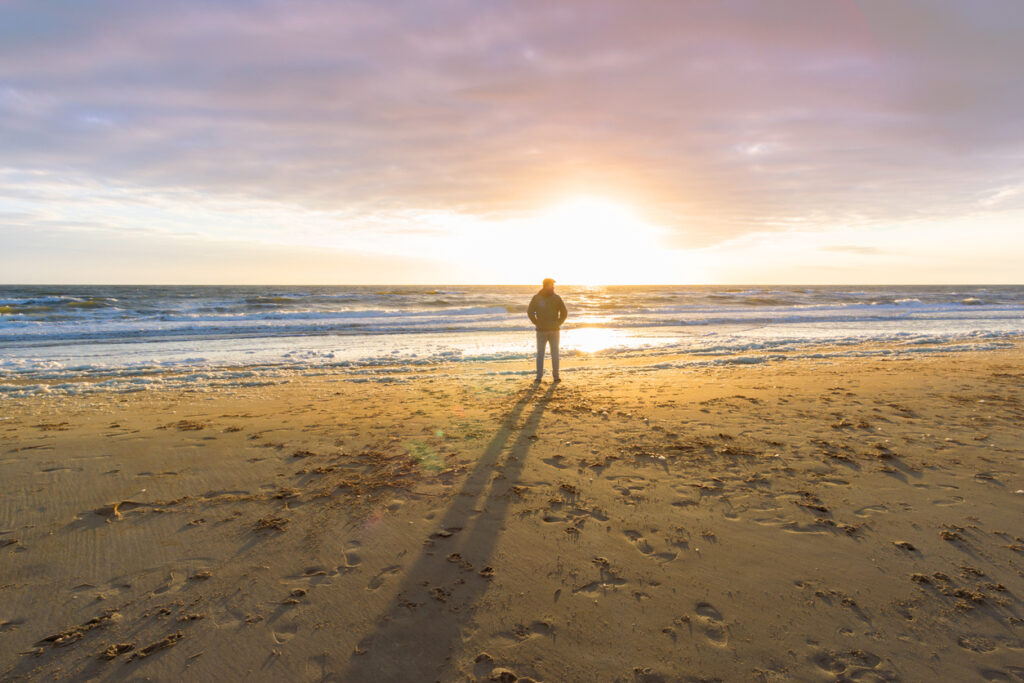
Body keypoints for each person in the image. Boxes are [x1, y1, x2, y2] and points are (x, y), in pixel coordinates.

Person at [527, 278, 568, 382]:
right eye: (552, 285)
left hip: (553, 329)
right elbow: (530, 312)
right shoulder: (538, 298)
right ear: (546, 285)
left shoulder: (556, 298)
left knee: (553, 353)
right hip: (543, 330)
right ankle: (539, 377)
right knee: (542, 353)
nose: (553, 287)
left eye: (553, 285)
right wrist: (536, 322)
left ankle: (555, 376)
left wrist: (558, 323)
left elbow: (564, 312)